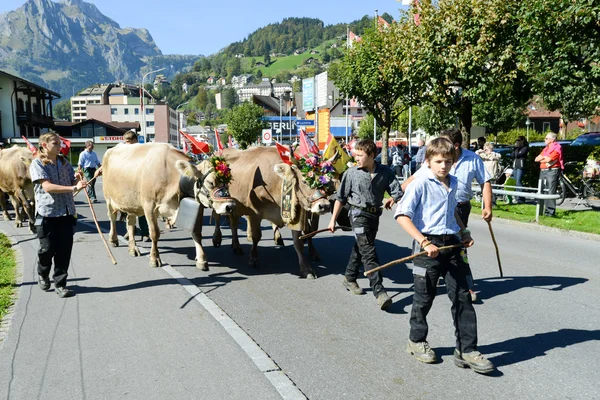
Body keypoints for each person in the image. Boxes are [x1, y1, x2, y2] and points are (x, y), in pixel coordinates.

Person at [395, 137, 495, 374]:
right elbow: (401, 215)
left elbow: (453, 214)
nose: (443, 166)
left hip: (452, 246)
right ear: (428, 161)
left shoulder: (455, 182)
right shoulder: (420, 183)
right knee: (424, 298)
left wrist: (464, 232)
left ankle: (466, 349)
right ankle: (416, 340)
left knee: (463, 297)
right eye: (438, 161)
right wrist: (424, 241)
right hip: (426, 246)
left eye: (448, 161)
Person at [400, 128, 493, 302]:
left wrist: (487, 206)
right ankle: (436, 280)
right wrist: (398, 196)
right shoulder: (435, 159)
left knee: (460, 247)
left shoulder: (473, 159)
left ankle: (466, 285)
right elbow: (412, 181)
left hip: (460, 207)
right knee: (439, 249)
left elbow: (485, 181)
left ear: (455, 145)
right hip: (435, 209)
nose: (443, 164)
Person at [328, 139, 403, 310]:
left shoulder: (386, 172)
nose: (356, 158)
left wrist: (394, 199)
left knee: (361, 247)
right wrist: (333, 220)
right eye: (356, 154)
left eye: (360, 155)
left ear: (371, 155)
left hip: (374, 215)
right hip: (357, 214)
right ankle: (379, 291)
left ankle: (349, 277)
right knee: (369, 252)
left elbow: (398, 193)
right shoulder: (351, 173)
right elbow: (340, 198)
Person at [29, 132, 87, 298]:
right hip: (47, 213)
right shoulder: (37, 164)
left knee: (64, 251)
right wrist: (72, 188)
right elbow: (47, 186)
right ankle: (43, 272)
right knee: (47, 249)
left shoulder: (63, 162)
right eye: (55, 143)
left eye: (59, 143)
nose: (59, 146)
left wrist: (78, 181)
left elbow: (72, 181)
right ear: (44, 145)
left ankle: (60, 284)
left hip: (66, 212)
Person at [94, 131, 149, 241]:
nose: (127, 144)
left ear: (135, 140)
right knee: (125, 208)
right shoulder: (120, 149)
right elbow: (112, 161)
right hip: (123, 183)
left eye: (129, 142)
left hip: (138, 182)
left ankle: (145, 232)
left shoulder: (141, 150)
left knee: (142, 208)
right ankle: (131, 231)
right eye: (126, 142)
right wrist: (101, 169)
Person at [534, 132, 563, 217]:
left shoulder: (557, 147)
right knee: (542, 190)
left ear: (552, 140)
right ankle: (541, 211)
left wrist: (543, 159)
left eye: (546, 138)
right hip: (543, 170)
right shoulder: (546, 148)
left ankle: (550, 212)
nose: (544, 140)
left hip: (552, 171)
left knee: (550, 191)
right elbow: (536, 159)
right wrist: (544, 159)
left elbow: (549, 159)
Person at [511, 136, 529, 203]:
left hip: (521, 166)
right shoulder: (516, 149)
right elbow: (512, 155)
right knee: (515, 182)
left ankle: (521, 198)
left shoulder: (525, 148)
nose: (517, 142)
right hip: (515, 165)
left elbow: (519, 154)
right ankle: (516, 197)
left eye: (519, 140)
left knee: (518, 181)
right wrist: (515, 148)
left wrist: (517, 149)